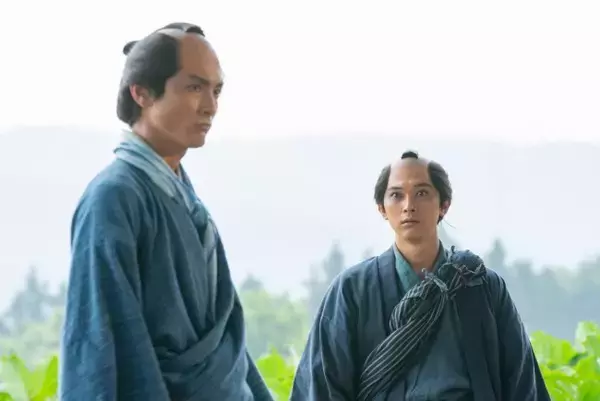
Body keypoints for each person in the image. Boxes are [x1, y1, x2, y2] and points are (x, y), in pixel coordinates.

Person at [59, 22, 273, 401]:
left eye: (216, 90)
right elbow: (97, 344)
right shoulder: (112, 199)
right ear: (141, 92)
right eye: (194, 87)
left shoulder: (186, 199)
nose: (210, 106)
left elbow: (226, 336)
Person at [290, 151, 550, 401]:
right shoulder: (351, 290)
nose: (409, 206)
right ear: (382, 208)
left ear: (444, 205)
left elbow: (522, 385)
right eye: (396, 195)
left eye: (422, 193)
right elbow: (323, 388)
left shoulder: (480, 285)